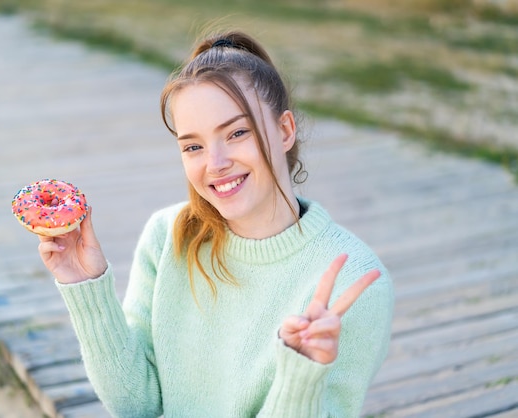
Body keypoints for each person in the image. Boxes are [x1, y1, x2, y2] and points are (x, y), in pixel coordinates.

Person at [37, 31, 394, 417]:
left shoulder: (354, 282)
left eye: (237, 133)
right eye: (193, 146)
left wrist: (300, 376)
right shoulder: (168, 236)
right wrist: (85, 287)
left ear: (285, 130)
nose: (216, 162)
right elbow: (136, 404)